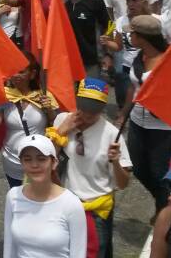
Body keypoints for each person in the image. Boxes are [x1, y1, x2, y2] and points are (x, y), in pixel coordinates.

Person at [49, 78, 132, 258]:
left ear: (103, 108)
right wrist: (60, 132)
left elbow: (124, 183)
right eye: (83, 107)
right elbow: (44, 161)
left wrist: (116, 161)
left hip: (97, 208)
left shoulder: (111, 135)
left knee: (97, 253)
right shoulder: (63, 120)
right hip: (67, 203)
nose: (86, 114)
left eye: (93, 110)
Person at [121, 15, 171, 222]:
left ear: (142, 36)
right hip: (137, 121)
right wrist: (123, 114)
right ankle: (162, 198)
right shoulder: (139, 56)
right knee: (137, 168)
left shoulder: (168, 61)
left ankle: (165, 211)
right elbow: (132, 87)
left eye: (132, 33)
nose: (129, 36)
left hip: (161, 128)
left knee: (159, 171)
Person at [2, 134, 87, 258]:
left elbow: (78, 253)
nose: (34, 165)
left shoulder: (71, 203)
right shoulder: (13, 196)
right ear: (21, 163)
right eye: (27, 159)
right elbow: (9, 249)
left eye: (41, 159)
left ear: (54, 163)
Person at [0, 54, 58, 187]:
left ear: (32, 74)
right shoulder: (5, 95)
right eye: (13, 72)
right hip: (12, 160)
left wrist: (49, 109)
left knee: (40, 200)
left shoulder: (43, 96)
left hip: (39, 161)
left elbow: (56, 124)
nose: (16, 75)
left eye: (21, 72)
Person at [62, 0, 110, 75]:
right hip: (67, 61)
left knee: (89, 92)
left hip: (91, 62)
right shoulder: (61, 2)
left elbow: (109, 26)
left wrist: (108, 54)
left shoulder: (95, 1)